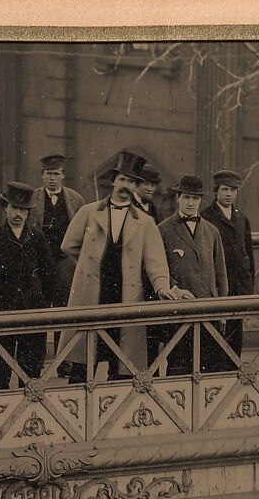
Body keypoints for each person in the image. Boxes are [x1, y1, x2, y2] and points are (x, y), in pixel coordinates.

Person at [61, 150, 186, 381]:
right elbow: (68, 246)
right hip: (93, 295)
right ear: (113, 181)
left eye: (131, 181)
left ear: (136, 186)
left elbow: (156, 263)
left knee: (121, 362)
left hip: (125, 296)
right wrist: (91, 265)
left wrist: (162, 287)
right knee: (84, 361)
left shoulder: (146, 222)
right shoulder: (88, 213)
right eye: (122, 179)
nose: (125, 185)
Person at [0, 182, 58, 390]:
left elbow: (49, 275)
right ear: (5, 207)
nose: (18, 213)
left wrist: (43, 305)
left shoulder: (37, 237)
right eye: (14, 208)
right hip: (1, 315)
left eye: (23, 210)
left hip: (32, 315)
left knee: (31, 373)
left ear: (28, 212)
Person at [158, 176, 229, 374]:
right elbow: (157, 269)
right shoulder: (163, 230)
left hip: (208, 309)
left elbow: (221, 274)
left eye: (195, 198)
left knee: (210, 368)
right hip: (178, 310)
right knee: (179, 368)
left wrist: (222, 308)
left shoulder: (212, 231)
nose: (191, 203)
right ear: (178, 198)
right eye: (187, 197)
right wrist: (174, 288)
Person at [201, 169, 255, 361]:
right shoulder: (206, 217)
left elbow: (248, 255)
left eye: (233, 190)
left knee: (235, 337)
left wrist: (249, 288)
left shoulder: (242, 219)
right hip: (217, 286)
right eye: (224, 189)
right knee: (214, 337)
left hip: (238, 286)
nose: (229, 194)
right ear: (216, 191)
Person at [29, 154, 85, 306]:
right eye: (48, 174)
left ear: (63, 175)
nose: (52, 178)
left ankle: (62, 331)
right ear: (42, 175)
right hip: (41, 259)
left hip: (65, 259)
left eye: (56, 174)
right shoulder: (32, 198)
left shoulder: (76, 199)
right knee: (41, 300)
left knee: (64, 299)